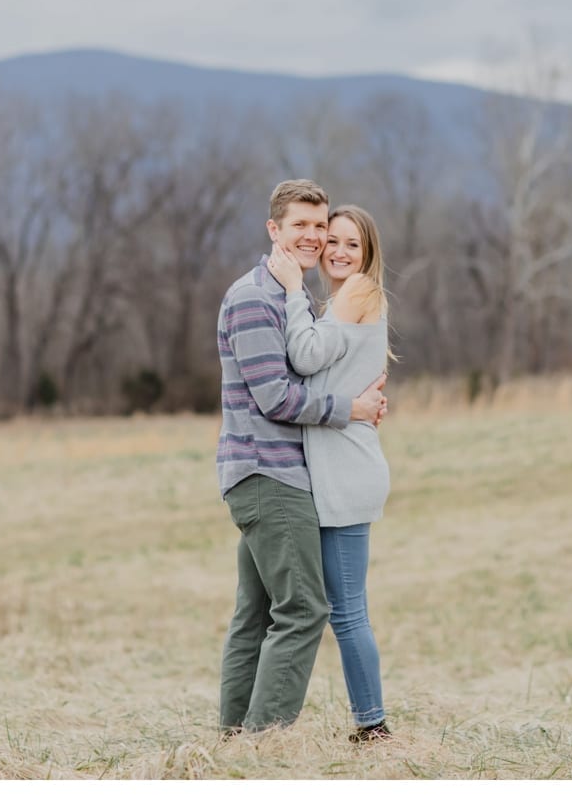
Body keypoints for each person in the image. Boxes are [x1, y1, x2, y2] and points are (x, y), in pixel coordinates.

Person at [216, 180, 388, 735]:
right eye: (304, 227)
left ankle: (234, 736)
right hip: (270, 473)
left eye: (323, 228)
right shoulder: (254, 297)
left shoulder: (305, 298)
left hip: (290, 473)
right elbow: (276, 397)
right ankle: (265, 740)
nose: (316, 239)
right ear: (275, 230)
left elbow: (325, 358)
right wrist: (351, 408)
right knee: (305, 611)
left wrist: (358, 398)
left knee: (256, 615)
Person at [266, 204, 394, 743]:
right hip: (338, 462)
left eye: (352, 244)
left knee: (346, 612)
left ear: (367, 255)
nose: (339, 252)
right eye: (333, 241)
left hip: (347, 469)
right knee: (339, 609)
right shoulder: (337, 301)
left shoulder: (359, 290)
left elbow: (306, 353)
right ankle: (368, 722)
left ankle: (373, 727)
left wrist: (292, 288)